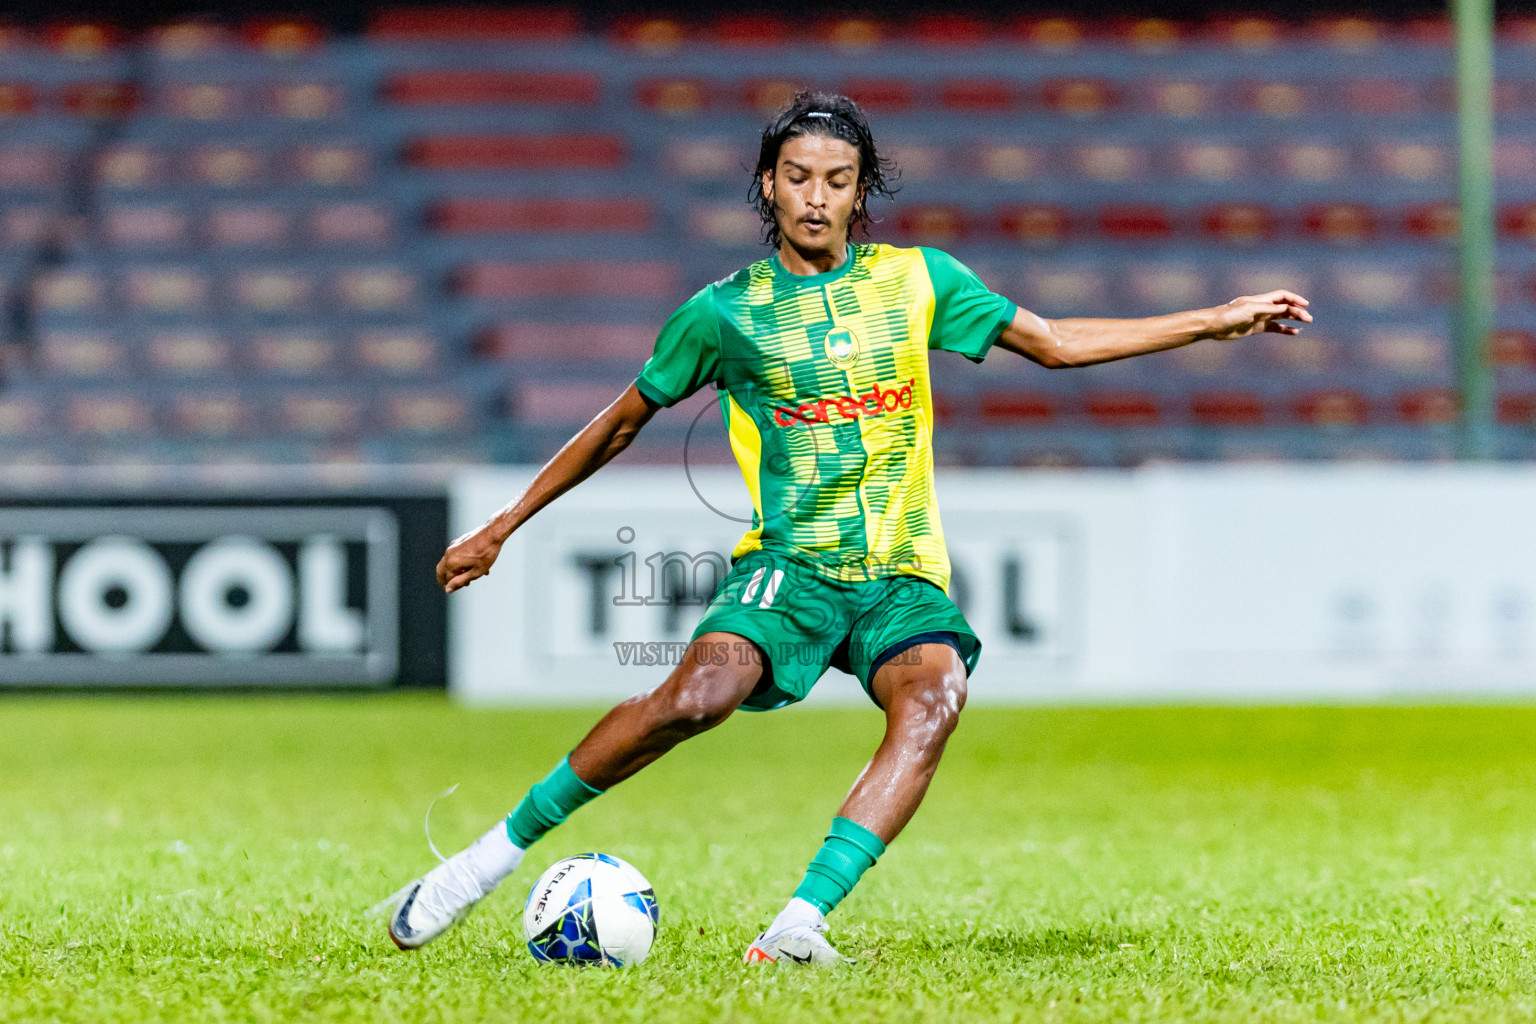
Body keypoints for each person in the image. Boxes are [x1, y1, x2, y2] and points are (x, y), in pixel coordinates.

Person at [383, 91, 1310, 963]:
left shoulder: (918, 281)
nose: (815, 197)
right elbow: (623, 419)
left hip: (901, 574)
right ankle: (481, 864)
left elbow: (1058, 342)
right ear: (766, 185)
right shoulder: (726, 313)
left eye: (836, 180)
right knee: (695, 699)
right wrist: (506, 524)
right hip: (790, 569)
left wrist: (1213, 321)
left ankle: (796, 925)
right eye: (797, 177)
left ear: (862, 191)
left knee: (936, 696)